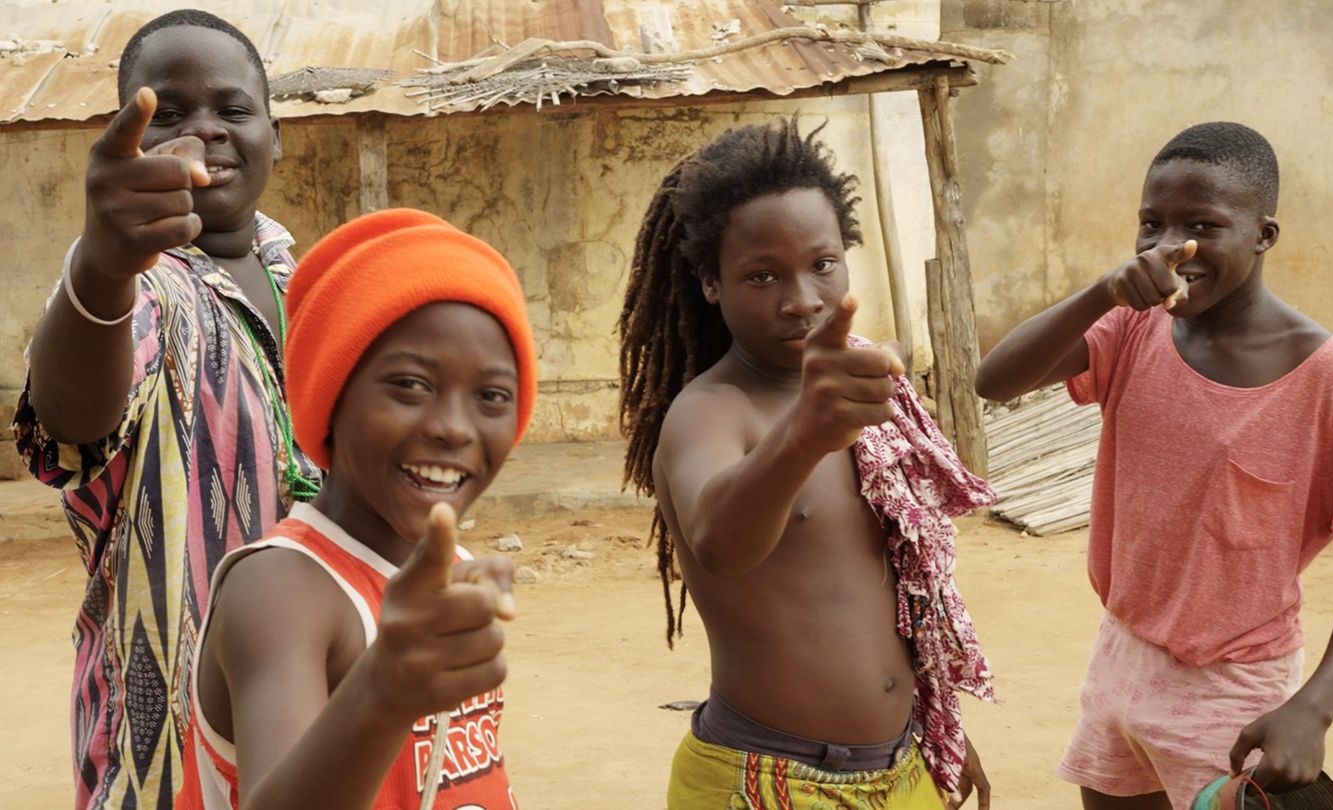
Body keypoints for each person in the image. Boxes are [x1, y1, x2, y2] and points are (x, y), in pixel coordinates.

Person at [973, 122, 1333, 808]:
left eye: (1204, 225)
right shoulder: (1133, 327)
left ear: (1264, 235)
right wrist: (1101, 294)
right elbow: (994, 382)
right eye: (1151, 224)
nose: (1170, 247)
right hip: (1121, 652)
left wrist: (1314, 709)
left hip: (1231, 689)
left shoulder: (1329, 376)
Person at [618, 118, 997, 809]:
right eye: (761, 275)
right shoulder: (711, 412)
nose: (800, 299)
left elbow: (899, 590)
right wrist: (802, 435)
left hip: (901, 765)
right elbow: (719, 542)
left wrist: (934, 724)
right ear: (710, 281)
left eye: (822, 264)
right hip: (766, 779)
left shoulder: (868, 390)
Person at [9, 10, 321, 808]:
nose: (204, 131)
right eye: (169, 114)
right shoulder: (137, 288)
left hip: (323, 723)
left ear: (275, 135)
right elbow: (73, 421)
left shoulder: (307, 278)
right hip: (165, 753)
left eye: (232, 109)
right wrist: (104, 271)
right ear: (127, 138)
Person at [176, 208, 536, 809]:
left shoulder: (446, 576)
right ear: (330, 392)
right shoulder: (281, 590)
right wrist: (383, 689)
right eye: (410, 385)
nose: (453, 428)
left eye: (491, 397)